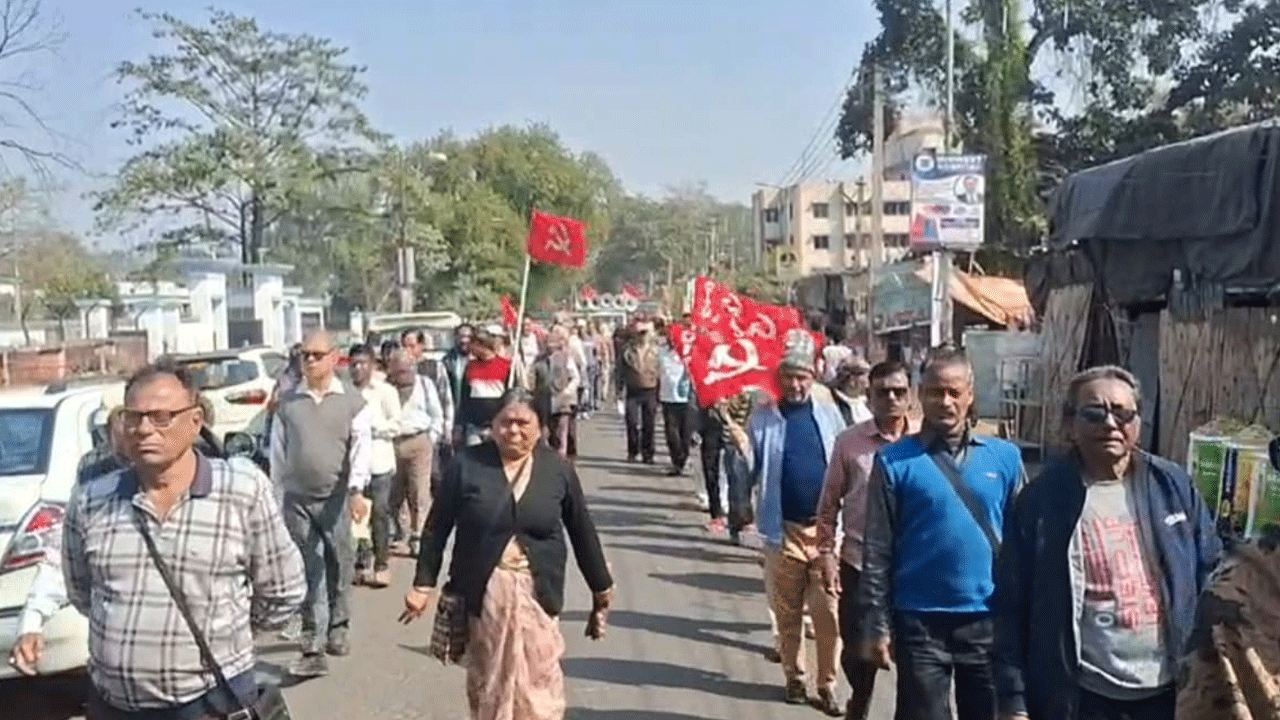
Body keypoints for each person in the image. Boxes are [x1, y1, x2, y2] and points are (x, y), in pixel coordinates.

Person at [63, 360, 305, 718]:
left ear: (195, 422)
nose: (144, 429)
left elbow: (283, 591)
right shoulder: (92, 499)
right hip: (113, 706)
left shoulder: (241, 490)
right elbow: (82, 591)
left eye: (161, 417)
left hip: (210, 703)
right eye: (133, 417)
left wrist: (229, 632)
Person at [993, 365, 1220, 720]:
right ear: (1070, 424)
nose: (1110, 423)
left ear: (1138, 422)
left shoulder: (1172, 487)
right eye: (1094, 413)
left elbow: (1212, 573)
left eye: (1122, 412)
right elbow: (1011, 606)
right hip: (1084, 697)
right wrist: (1013, 701)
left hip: (1171, 692)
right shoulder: (1041, 502)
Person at [401, 388, 614, 720]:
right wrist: (422, 584)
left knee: (540, 681)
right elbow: (436, 527)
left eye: (523, 423)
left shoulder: (557, 470)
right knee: (489, 681)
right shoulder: (467, 465)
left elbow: (582, 531)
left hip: (538, 595)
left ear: (540, 426)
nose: (513, 430)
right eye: (505, 422)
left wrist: (600, 588)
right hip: (484, 598)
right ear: (493, 424)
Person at [860, 346, 1025, 720]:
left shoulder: (1004, 458)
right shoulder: (893, 462)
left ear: (970, 395)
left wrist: (1024, 617)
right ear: (921, 395)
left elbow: (1023, 543)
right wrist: (876, 624)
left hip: (987, 618)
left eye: (954, 392)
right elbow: (877, 549)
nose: (945, 402)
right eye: (936, 392)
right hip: (919, 622)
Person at [748, 329, 848, 715]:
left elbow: (846, 466)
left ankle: (827, 684)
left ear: (813, 377)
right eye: (788, 377)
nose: (795, 385)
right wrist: (740, 447)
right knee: (788, 613)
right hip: (782, 530)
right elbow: (748, 471)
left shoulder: (829, 415)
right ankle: (794, 677)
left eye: (802, 377)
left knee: (829, 614)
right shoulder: (763, 418)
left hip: (825, 534)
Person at [816, 360, 916, 720]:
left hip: (911, 568)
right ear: (869, 397)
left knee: (915, 660)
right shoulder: (849, 443)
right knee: (858, 655)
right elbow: (828, 505)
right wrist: (826, 555)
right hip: (859, 564)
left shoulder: (923, 443)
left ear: (910, 396)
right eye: (882, 392)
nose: (891, 399)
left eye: (899, 392)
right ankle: (859, 702)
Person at [270, 330, 372, 677]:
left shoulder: (352, 402)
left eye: (317, 355)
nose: (310, 361)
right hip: (297, 500)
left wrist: (357, 490)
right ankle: (312, 638)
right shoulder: (288, 403)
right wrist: (277, 497)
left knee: (339, 562)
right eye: (305, 355)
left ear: (334, 357)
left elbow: (361, 448)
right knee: (307, 567)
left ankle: (338, 627)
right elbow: (278, 454)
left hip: (337, 498)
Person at [349, 344, 403, 588]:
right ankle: (362, 563)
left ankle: (382, 564)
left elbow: (397, 425)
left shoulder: (385, 392)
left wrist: (374, 429)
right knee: (357, 516)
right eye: (354, 364)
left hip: (379, 461)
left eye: (363, 363)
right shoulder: (345, 393)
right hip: (352, 465)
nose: (358, 368)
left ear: (372, 365)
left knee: (380, 513)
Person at [386, 349, 445, 556]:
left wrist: (432, 438)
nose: (404, 375)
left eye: (407, 370)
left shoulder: (425, 385)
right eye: (399, 372)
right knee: (395, 494)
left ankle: (419, 535)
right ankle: (401, 534)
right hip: (393, 444)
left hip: (419, 441)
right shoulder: (386, 388)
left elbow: (437, 413)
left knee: (419, 492)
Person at [528, 325, 581, 459]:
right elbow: (531, 376)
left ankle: (563, 455)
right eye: (547, 343)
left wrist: (568, 391)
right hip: (543, 399)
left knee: (561, 430)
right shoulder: (539, 359)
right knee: (545, 430)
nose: (549, 346)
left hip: (561, 399)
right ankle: (547, 456)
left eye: (552, 343)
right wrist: (531, 390)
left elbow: (575, 377)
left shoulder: (566, 357)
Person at [457, 330, 514, 447]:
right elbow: (464, 396)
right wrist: (460, 422)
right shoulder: (470, 366)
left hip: (497, 425)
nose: (470, 348)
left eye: (474, 344)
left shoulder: (506, 365)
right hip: (474, 424)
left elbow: (512, 395)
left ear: (483, 345)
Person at [617, 316, 660, 463]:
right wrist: (619, 389)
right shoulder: (627, 350)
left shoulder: (656, 350)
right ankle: (633, 451)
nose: (642, 336)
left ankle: (648, 453)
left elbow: (661, 371)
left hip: (650, 390)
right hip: (633, 391)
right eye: (639, 333)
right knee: (632, 422)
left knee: (649, 424)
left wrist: (660, 392)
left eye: (644, 333)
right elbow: (620, 370)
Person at [657, 326, 695, 477]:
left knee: (685, 433)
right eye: (671, 337)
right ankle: (676, 462)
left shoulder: (689, 354)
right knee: (671, 434)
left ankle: (682, 460)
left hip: (685, 399)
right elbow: (657, 371)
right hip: (667, 398)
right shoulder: (662, 353)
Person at [828, 356, 873, 427]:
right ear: (852, 378)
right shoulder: (834, 402)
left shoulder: (867, 403)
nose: (868, 381)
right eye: (866, 376)